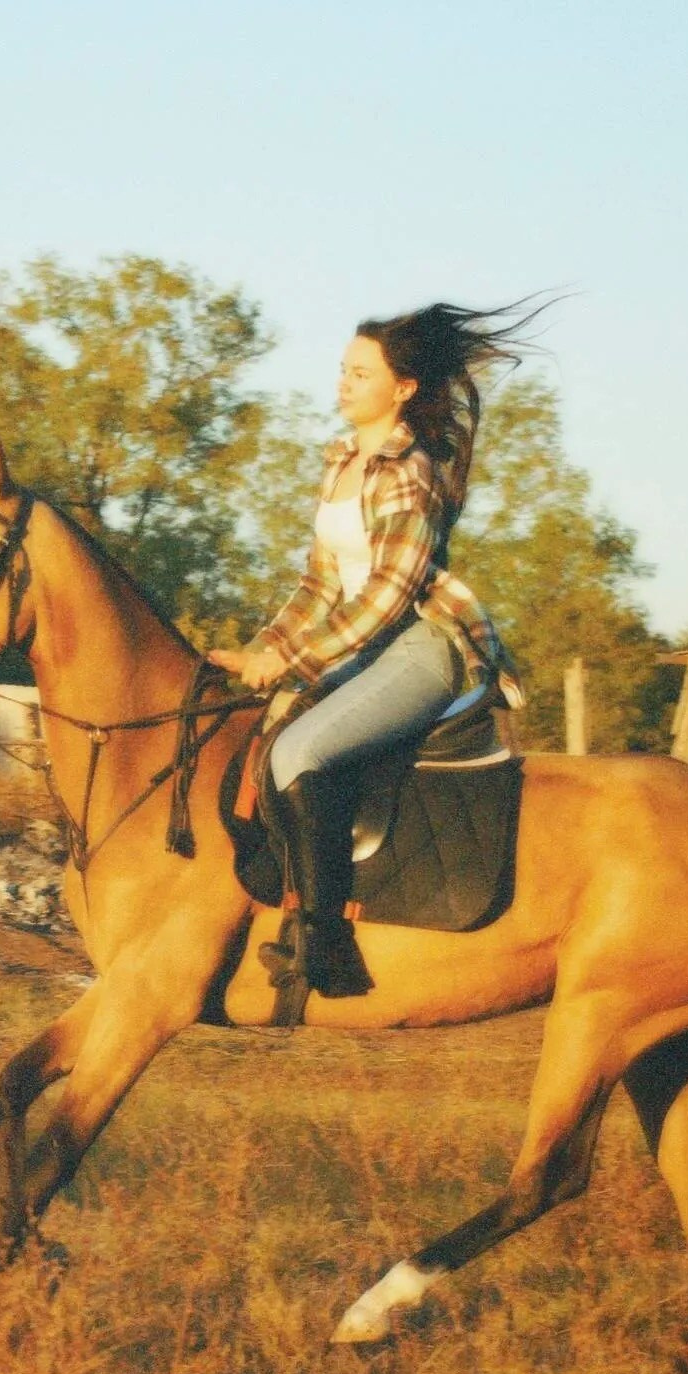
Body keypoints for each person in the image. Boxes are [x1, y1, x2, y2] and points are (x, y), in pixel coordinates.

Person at [208, 302, 533, 1009]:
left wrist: (296, 661)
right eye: (343, 370)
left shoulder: (407, 472)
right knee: (263, 741)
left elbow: (389, 594)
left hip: (421, 650)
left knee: (299, 755)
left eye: (362, 373)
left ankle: (326, 944)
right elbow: (319, 583)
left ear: (405, 388)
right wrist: (265, 646)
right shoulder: (341, 462)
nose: (344, 383)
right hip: (363, 648)